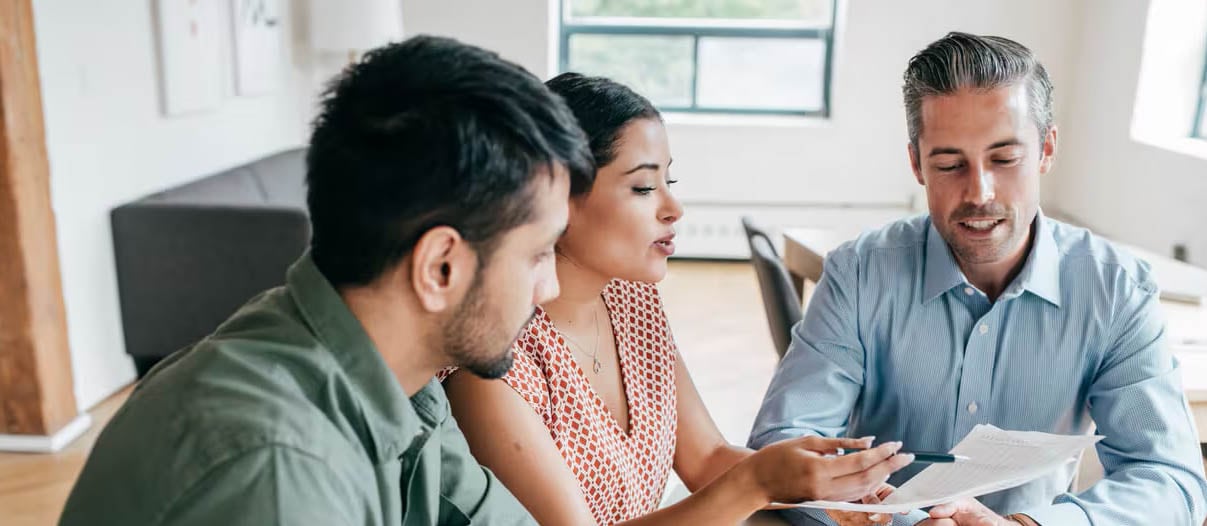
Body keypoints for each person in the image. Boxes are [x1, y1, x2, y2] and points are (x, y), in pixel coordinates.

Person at [59, 35, 594, 526]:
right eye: (539, 254)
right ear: (440, 268)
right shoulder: (274, 471)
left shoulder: (401, 380)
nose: (547, 289)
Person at [747, 32, 1207, 525]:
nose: (980, 192)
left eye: (1005, 159)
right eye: (949, 164)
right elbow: (782, 444)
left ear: (1047, 149)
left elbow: (1170, 479)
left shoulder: (1116, 290)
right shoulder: (859, 274)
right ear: (917, 164)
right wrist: (886, 517)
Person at [442, 72, 913, 526]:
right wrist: (757, 481)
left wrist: (819, 483)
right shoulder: (489, 355)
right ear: (555, 198)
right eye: (644, 187)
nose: (674, 208)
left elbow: (706, 457)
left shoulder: (631, 298)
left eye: (671, 182)